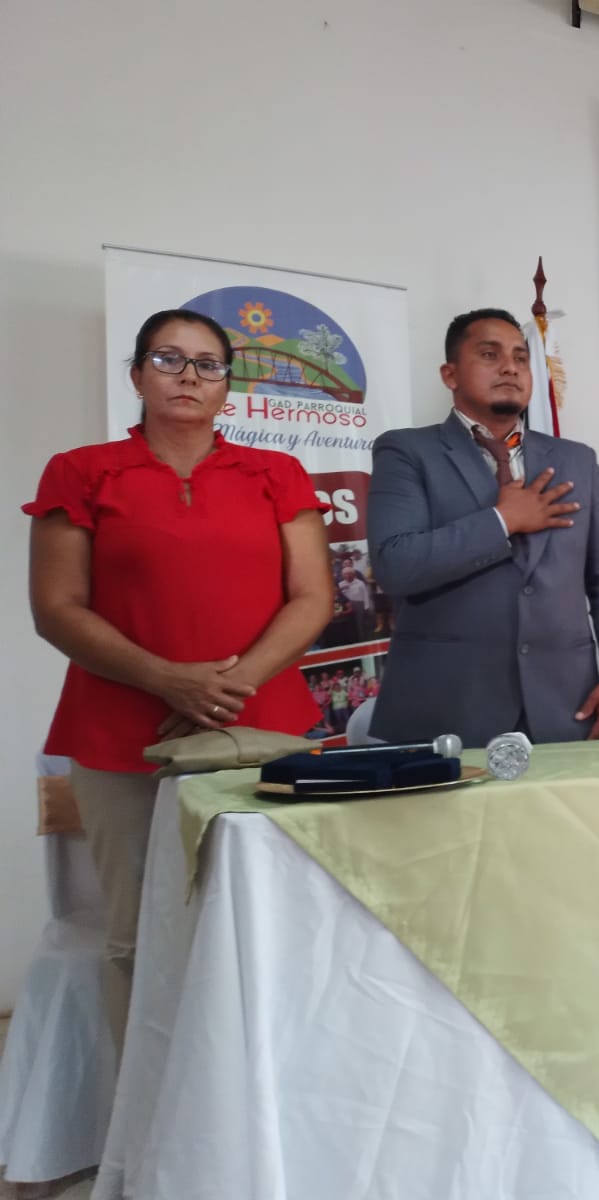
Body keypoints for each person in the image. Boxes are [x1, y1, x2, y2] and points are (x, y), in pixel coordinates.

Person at [24, 307, 333, 1052]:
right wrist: (169, 680)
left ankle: (257, 1103)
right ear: (137, 376)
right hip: (122, 735)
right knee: (141, 937)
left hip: (262, 731)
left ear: (228, 386)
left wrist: (222, 691)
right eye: (168, 360)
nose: (189, 376)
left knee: (268, 928)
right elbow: (56, 608)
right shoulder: (81, 471)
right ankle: (146, 1119)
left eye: (208, 364)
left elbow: (313, 598)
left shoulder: (277, 474)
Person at [367, 308, 599, 745]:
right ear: (450, 375)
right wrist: (503, 520)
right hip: (446, 708)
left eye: (520, 357)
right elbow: (396, 565)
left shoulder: (576, 460)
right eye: (490, 354)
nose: (510, 367)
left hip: (565, 705)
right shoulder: (406, 451)